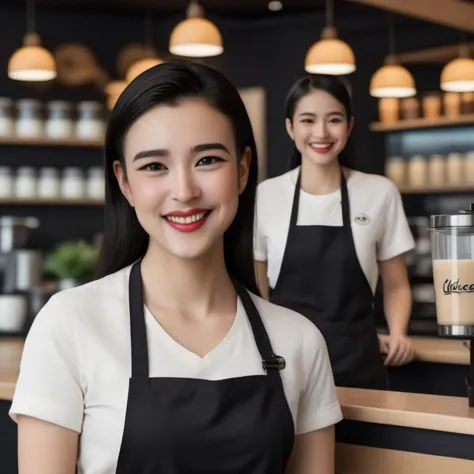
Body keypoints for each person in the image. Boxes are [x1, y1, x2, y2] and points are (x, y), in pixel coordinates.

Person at [9, 60, 342, 474]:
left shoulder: (298, 340)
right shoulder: (70, 325)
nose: (184, 191)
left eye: (207, 160)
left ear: (242, 170)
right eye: (154, 166)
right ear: (124, 182)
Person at [254, 73, 416, 391]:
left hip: (360, 365)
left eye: (334, 120)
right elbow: (259, 295)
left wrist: (399, 333)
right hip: (289, 367)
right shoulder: (266, 196)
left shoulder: (379, 192)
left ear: (350, 125)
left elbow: (397, 285)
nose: (321, 132)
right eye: (308, 120)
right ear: (290, 127)